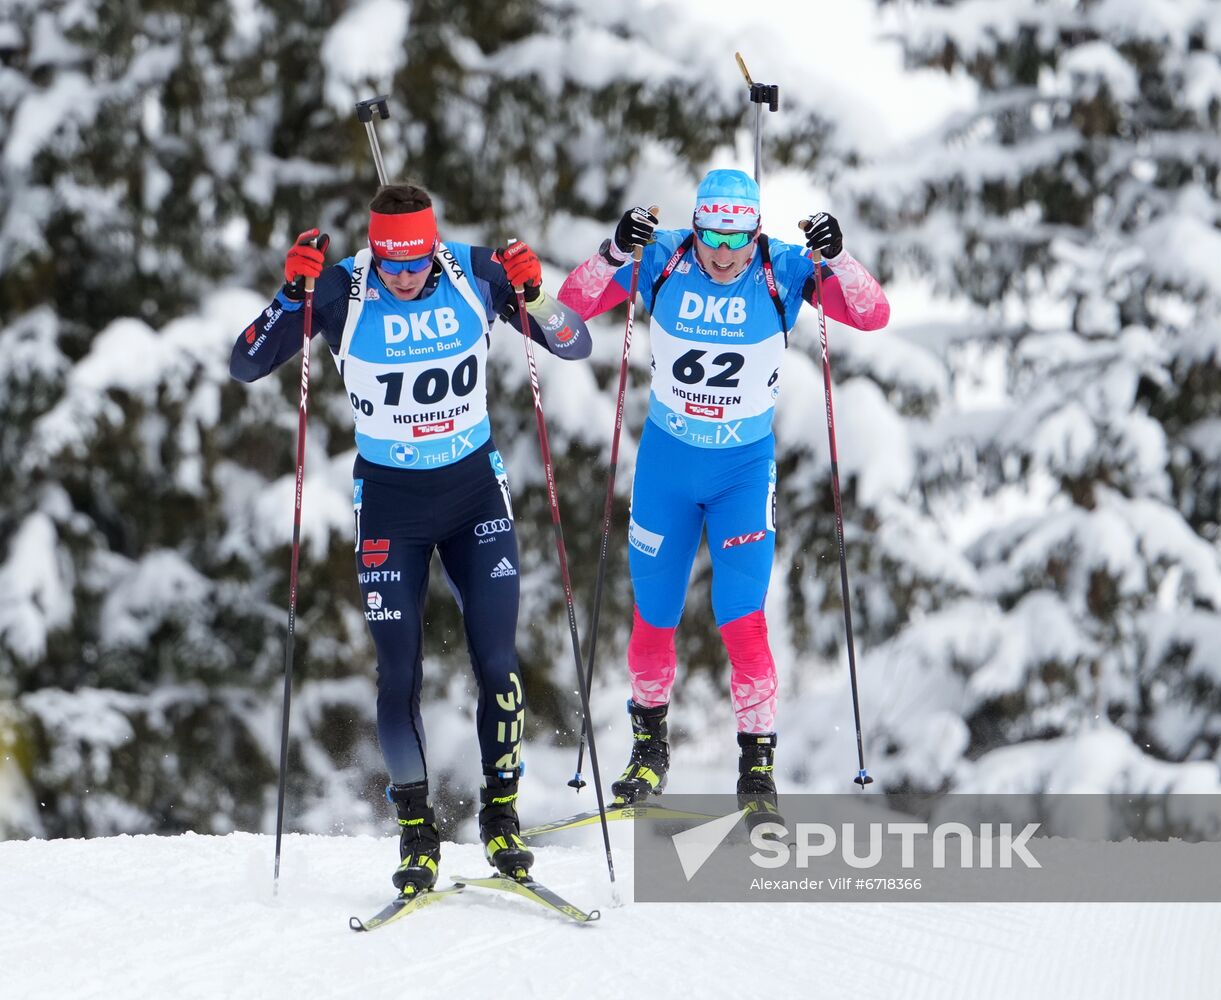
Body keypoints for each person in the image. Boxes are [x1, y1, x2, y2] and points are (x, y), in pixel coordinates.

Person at [230, 183, 592, 895]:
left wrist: (537, 295)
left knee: (496, 661)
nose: (403, 277)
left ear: (433, 245)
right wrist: (287, 294)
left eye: (416, 262)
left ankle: (501, 816)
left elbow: (573, 343)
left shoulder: (475, 272)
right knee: (398, 674)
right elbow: (245, 364)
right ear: (375, 251)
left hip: (472, 497)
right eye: (392, 264)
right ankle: (417, 832)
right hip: (390, 506)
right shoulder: (340, 289)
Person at [558, 168, 888, 819]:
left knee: (743, 617)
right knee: (654, 617)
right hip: (666, 470)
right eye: (712, 234)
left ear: (754, 231)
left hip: (742, 473)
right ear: (698, 225)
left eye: (737, 237)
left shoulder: (783, 269)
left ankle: (757, 771)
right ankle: (649, 752)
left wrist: (839, 257)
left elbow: (873, 313)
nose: (724, 252)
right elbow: (575, 301)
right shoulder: (664, 257)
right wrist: (614, 249)